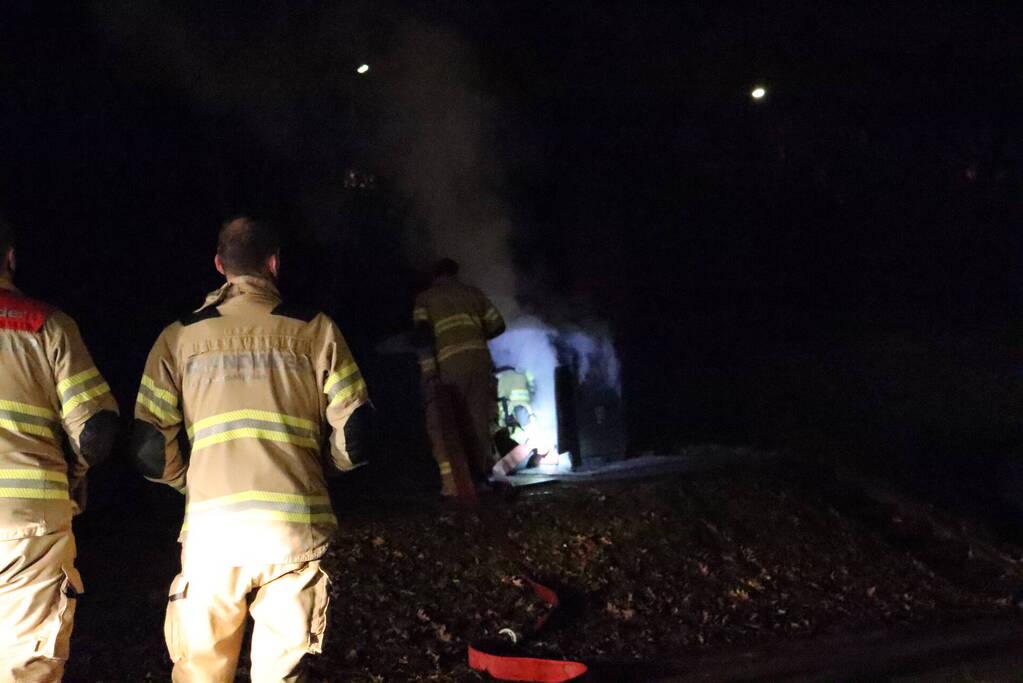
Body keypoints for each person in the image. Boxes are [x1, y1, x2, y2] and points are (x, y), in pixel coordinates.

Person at [130, 217, 370, 682]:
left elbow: (147, 447)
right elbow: (357, 431)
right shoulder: (316, 329)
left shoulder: (179, 336)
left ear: (220, 266)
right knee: (280, 672)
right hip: (294, 529)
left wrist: (189, 481)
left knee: (201, 670)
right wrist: (320, 471)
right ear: (274, 264)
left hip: (212, 533)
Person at [0, 219, 119, 682]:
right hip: (29, 523)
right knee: (26, 664)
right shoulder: (47, 326)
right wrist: (75, 472)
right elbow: (96, 431)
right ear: (11, 258)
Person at [413, 258, 505, 495]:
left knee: (444, 423)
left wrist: (429, 372)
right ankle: (481, 479)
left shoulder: (425, 299)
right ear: (455, 273)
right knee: (478, 420)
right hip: (480, 363)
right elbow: (498, 325)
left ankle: (454, 485)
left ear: (434, 275)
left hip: (449, 367)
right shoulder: (473, 293)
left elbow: (423, 340)